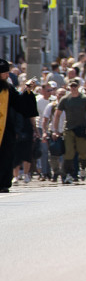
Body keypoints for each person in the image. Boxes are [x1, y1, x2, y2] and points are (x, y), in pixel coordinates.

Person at [0, 60, 39, 193]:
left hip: (6, 129)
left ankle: (4, 183)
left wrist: (27, 91)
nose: (7, 76)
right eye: (5, 73)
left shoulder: (8, 88)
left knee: (6, 156)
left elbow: (19, 104)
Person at [53, 80, 86, 184]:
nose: (73, 88)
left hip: (82, 129)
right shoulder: (65, 99)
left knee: (83, 153)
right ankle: (69, 174)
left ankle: (83, 169)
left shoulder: (85, 99)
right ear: (69, 87)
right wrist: (55, 130)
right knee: (69, 153)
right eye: (71, 86)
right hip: (69, 129)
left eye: (75, 86)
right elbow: (57, 115)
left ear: (78, 86)